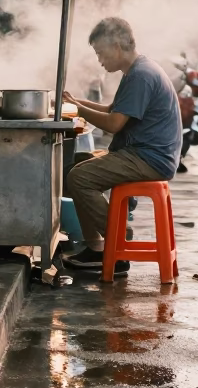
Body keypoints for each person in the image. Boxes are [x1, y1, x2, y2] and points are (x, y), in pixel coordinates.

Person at [61, 17, 182, 277]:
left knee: (79, 177)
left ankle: (118, 245)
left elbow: (114, 123)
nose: (99, 60)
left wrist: (77, 109)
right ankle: (96, 248)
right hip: (143, 153)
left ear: (116, 46)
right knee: (75, 166)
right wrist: (74, 101)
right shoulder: (135, 71)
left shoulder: (142, 75)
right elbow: (112, 109)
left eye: (100, 53)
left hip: (150, 158)